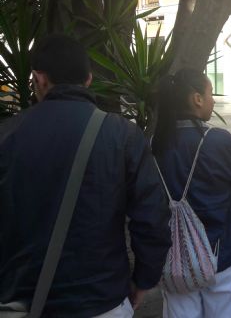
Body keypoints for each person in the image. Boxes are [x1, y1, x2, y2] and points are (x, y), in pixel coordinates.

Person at [0, 34, 172, 317]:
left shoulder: (7, 136)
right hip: (103, 300)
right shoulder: (123, 135)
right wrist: (144, 279)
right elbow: (152, 217)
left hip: (23, 301)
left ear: (38, 79)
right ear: (89, 79)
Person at [151, 68, 231, 317]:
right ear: (196, 99)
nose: (213, 100)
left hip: (174, 257)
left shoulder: (152, 143)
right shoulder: (217, 140)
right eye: (209, 93)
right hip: (220, 252)